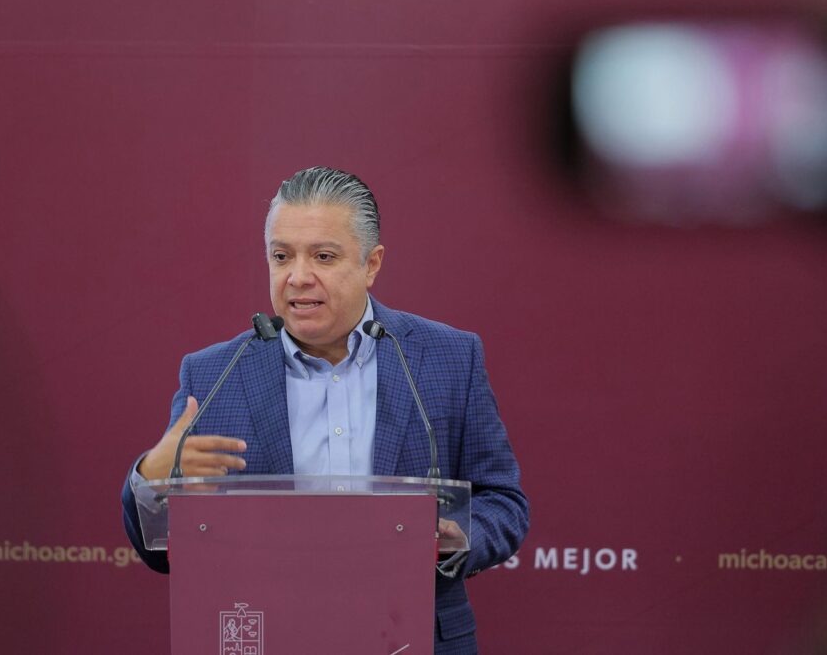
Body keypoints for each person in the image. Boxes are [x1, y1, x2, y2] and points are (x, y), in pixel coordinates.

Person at [122, 166, 529, 654]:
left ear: (371, 264)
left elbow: (502, 500)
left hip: (413, 638)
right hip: (267, 638)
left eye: (323, 256)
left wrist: (457, 538)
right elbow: (159, 550)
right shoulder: (212, 376)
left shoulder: (447, 357)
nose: (297, 277)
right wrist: (150, 481)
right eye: (281, 256)